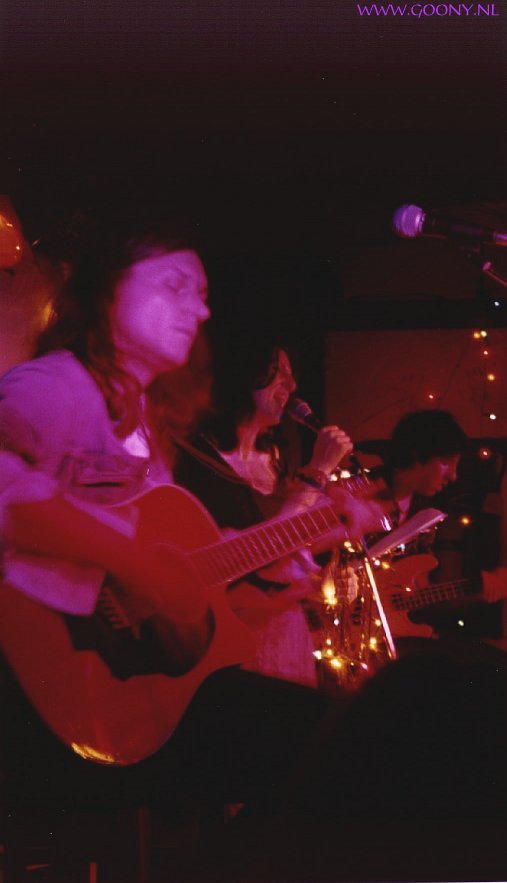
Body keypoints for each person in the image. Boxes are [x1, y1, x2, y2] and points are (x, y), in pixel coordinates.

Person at [0, 221, 385, 823]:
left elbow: (173, 561)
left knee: (328, 741)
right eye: (176, 285)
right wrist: (132, 562)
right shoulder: (54, 387)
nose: (200, 309)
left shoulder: (144, 423)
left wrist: (287, 544)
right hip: (42, 695)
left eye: (202, 294)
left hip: (125, 680)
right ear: (107, 289)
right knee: (334, 745)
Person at [173, 337, 357, 687]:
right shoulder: (197, 460)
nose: (292, 385)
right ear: (244, 375)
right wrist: (318, 471)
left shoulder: (276, 460)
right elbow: (258, 550)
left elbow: (291, 551)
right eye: (279, 372)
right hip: (227, 637)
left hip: (285, 633)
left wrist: (327, 560)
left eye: (292, 374)